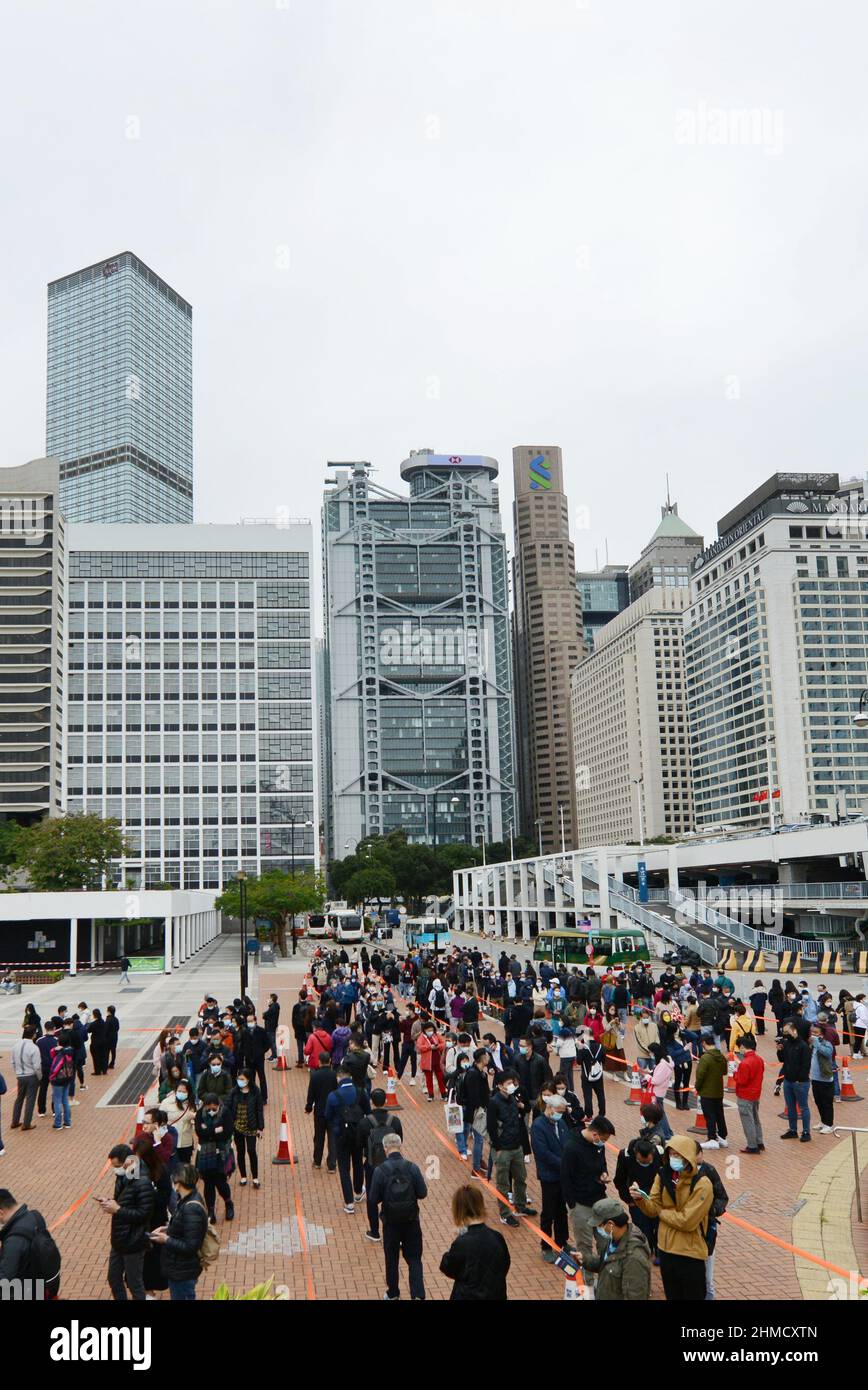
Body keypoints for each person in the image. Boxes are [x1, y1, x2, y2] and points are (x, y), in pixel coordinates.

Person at [630, 1135, 714, 1301]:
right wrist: (640, 1199)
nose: (674, 1158)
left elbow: (687, 1221)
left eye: (678, 1155)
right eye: (671, 1154)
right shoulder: (663, 1176)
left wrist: (662, 1212)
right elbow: (652, 1208)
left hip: (691, 1253)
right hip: (666, 1250)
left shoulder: (702, 1183)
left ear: (688, 1156)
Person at [367, 1132, 428, 1301]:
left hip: (391, 1223)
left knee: (391, 1258)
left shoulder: (380, 1171)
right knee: (415, 1258)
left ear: (386, 1148)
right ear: (400, 1146)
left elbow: (373, 1199)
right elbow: (422, 1193)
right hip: (411, 1221)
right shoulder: (412, 1168)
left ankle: (393, 1292)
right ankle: (417, 1294)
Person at [96, 1145, 155, 1301]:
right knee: (113, 1278)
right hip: (119, 1239)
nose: (116, 1170)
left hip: (134, 1241)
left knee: (135, 1284)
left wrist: (118, 1210)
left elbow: (144, 1214)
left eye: (117, 1166)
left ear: (128, 1162)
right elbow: (123, 1200)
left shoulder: (143, 1182)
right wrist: (111, 1202)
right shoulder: (124, 1175)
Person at [560, 1113, 615, 1270]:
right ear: (594, 1133)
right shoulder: (572, 1147)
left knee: (605, 1242)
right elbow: (565, 1177)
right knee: (585, 1247)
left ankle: (605, 1277)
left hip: (599, 1201)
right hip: (581, 1205)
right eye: (603, 1139)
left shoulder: (598, 1146)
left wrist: (603, 1173)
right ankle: (588, 1284)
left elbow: (602, 1163)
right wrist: (572, 1205)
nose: (603, 1143)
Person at [148, 1162, 209, 1300]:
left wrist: (166, 1239)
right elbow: (187, 1228)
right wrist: (167, 1229)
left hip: (183, 1272)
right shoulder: (188, 1199)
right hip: (180, 1269)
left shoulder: (191, 1208)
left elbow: (191, 1246)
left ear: (179, 1183)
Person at [439, 1183, 511, 1299]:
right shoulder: (497, 1237)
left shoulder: (461, 1243)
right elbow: (505, 1265)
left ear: (458, 1209)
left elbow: (448, 1267)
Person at [487, 1070, 537, 1227]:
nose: (512, 1086)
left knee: (520, 1178)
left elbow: (519, 1119)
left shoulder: (513, 1099)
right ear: (500, 1086)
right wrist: (498, 1147)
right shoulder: (494, 1102)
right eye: (508, 1083)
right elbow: (491, 1127)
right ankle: (505, 1214)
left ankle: (520, 1206)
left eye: (512, 1083)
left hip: (517, 1146)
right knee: (503, 1183)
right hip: (503, 1148)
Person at [577, 1197, 651, 1300]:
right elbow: (606, 1262)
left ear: (611, 1224)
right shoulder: (614, 1239)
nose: (598, 1230)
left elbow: (635, 1295)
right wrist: (585, 1259)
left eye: (599, 1225)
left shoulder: (634, 1258)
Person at [530, 1089, 571, 1262]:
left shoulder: (561, 1124)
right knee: (548, 1212)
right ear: (550, 1108)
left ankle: (562, 1241)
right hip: (549, 1176)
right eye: (559, 1112)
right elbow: (542, 1153)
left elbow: (567, 1143)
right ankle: (546, 1245)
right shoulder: (538, 1126)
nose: (561, 1115)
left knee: (562, 1210)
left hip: (562, 1176)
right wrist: (563, 1164)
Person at [358, 1088, 403, 1242]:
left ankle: (375, 1231)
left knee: (372, 1198)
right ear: (385, 1101)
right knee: (392, 1196)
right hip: (392, 1165)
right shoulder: (394, 1121)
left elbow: (359, 1144)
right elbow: (400, 1141)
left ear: (371, 1102)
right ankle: (393, 1230)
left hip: (372, 1166)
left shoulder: (365, 1122)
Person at [325, 1066, 371, 1214]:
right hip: (358, 1134)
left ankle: (349, 1202)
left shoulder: (333, 1096)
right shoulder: (360, 1092)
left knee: (344, 1168)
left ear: (338, 1078)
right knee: (358, 1162)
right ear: (350, 1077)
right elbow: (368, 1112)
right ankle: (358, 1192)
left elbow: (328, 1116)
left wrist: (336, 1127)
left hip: (340, 1135)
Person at [0, 1189, 61, 1295]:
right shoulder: (35, 1216)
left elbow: (5, 1280)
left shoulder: (13, 1242)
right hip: (40, 1286)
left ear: (1, 1212)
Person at [614, 1135, 660, 1256]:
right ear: (636, 1154)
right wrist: (628, 1199)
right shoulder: (626, 1156)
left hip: (655, 1198)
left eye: (648, 1162)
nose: (645, 1163)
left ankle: (659, 1252)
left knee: (659, 1226)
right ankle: (646, 1251)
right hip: (636, 1200)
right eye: (642, 1162)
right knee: (643, 1229)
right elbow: (619, 1180)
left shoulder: (660, 1154)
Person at [194, 1094, 235, 1222]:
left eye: (214, 1108)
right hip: (205, 1154)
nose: (211, 1111)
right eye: (209, 1109)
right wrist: (216, 1130)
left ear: (218, 1105)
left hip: (221, 1153)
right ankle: (210, 1211)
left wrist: (209, 1131)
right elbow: (199, 1132)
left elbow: (227, 1132)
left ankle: (228, 1203)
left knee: (220, 1182)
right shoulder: (200, 1113)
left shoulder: (225, 1112)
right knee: (208, 1183)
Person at [226, 1067, 264, 1188]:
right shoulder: (234, 1092)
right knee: (240, 1152)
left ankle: (255, 1178)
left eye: (242, 1079)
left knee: (251, 1151)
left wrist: (260, 1127)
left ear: (248, 1079)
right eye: (239, 1078)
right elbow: (227, 1107)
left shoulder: (256, 1091)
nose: (240, 1081)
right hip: (237, 1127)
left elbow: (259, 1110)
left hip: (251, 1126)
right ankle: (243, 1176)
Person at [455, 1047, 490, 1175]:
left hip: (479, 1110)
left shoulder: (480, 1073)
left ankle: (479, 1161)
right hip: (476, 1111)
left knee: (479, 1138)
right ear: (482, 1058)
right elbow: (473, 1095)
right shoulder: (473, 1074)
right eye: (487, 1056)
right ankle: (476, 1168)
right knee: (479, 1138)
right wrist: (480, 1109)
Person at [778, 1020, 812, 1142]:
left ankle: (806, 1131)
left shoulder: (803, 1046)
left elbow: (806, 1065)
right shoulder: (787, 1044)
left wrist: (799, 1079)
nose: (785, 1034)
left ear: (794, 1030)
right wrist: (780, 1050)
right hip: (788, 1080)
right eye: (784, 1032)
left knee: (803, 1107)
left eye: (787, 1032)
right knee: (790, 1106)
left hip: (800, 1082)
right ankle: (793, 1130)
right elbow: (783, 1060)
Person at [695, 1035, 729, 1151]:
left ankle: (712, 1138)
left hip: (707, 1092)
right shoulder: (721, 1056)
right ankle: (722, 1137)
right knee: (719, 1113)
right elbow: (724, 1071)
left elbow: (700, 1075)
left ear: (704, 1043)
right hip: (718, 1091)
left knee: (709, 1115)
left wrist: (697, 1087)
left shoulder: (705, 1058)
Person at [733, 1033, 765, 1154]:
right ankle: (759, 1141)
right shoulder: (759, 1059)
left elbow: (742, 1080)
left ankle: (752, 1145)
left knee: (747, 1120)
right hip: (755, 1093)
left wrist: (736, 1072)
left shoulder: (745, 1063)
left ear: (742, 1047)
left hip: (745, 1095)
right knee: (755, 1118)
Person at [10, 1025, 41, 1132]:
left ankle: (15, 1121)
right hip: (31, 1075)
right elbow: (37, 1066)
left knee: (19, 1098)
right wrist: (40, 1077)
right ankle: (26, 1123)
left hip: (20, 1076)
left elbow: (13, 1062)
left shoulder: (15, 1046)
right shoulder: (34, 1048)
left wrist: (18, 1073)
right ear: (33, 1035)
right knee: (30, 1100)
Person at [809, 1022, 836, 1134]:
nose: (813, 1034)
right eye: (812, 1032)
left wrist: (817, 1044)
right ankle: (823, 1122)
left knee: (826, 1103)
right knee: (818, 1102)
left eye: (816, 1033)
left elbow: (827, 1053)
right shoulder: (812, 1045)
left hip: (825, 1079)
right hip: (815, 1078)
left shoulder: (826, 1044)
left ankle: (829, 1124)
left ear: (822, 1034)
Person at [238, 1014, 269, 1103]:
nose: (249, 1023)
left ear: (255, 1021)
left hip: (259, 1058)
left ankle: (264, 1097)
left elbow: (267, 1044)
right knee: (250, 1078)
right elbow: (242, 1045)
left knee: (262, 1077)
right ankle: (252, 1095)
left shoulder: (261, 1031)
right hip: (249, 1059)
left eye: (251, 1021)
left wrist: (261, 1051)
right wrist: (245, 1053)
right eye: (248, 1021)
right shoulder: (245, 1032)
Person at [48, 1031, 75, 1130]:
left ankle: (58, 1123)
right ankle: (67, 1122)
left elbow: (56, 1067)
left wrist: (51, 1077)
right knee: (65, 1100)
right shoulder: (70, 1051)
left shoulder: (60, 1054)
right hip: (68, 1078)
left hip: (58, 1079)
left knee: (57, 1101)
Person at [578, 1030, 607, 1118]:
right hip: (598, 1075)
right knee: (600, 1095)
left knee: (587, 1096)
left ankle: (589, 1115)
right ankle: (602, 1114)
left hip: (586, 1076)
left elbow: (578, 1062)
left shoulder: (582, 1048)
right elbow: (604, 1060)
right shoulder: (601, 1047)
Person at [416, 1021, 447, 1101]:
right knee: (428, 1079)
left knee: (440, 1078)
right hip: (427, 1061)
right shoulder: (422, 1037)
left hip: (437, 1060)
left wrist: (437, 1046)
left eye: (431, 1030)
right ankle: (431, 1095)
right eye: (428, 1030)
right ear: (425, 1030)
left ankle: (443, 1094)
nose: (430, 1032)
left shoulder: (436, 1035)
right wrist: (429, 1047)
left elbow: (443, 1043)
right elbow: (419, 1047)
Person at [291, 991, 312, 1069]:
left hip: (299, 1029)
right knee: (308, 1045)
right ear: (306, 996)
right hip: (307, 1029)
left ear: (299, 996)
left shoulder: (296, 1006)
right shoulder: (309, 1005)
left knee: (299, 1046)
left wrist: (294, 1027)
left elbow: (293, 1018)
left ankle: (300, 1060)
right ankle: (307, 1060)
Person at [87, 1008, 110, 1076]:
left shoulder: (93, 1024)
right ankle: (104, 1070)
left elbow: (88, 1030)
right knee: (104, 1056)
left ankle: (97, 1071)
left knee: (96, 1057)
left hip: (95, 1042)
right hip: (103, 1041)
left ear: (94, 1015)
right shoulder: (103, 1022)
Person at [264, 993, 280, 1061]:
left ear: (272, 999)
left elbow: (266, 1015)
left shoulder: (273, 1007)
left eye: (270, 998)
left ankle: (274, 1055)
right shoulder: (275, 1006)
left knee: (271, 1041)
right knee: (271, 1041)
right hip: (272, 1025)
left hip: (270, 1026)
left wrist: (264, 1015)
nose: (268, 999)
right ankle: (273, 1054)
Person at [105, 1006, 120, 1070]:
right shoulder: (116, 1019)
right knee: (113, 1051)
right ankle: (112, 1063)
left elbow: (106, 1029)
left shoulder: (108, 1019)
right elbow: (117, 1028)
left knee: (107, 1051)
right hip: (115, 1037)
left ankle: (106, 1064)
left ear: (109, 1011)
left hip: (108, 1038)